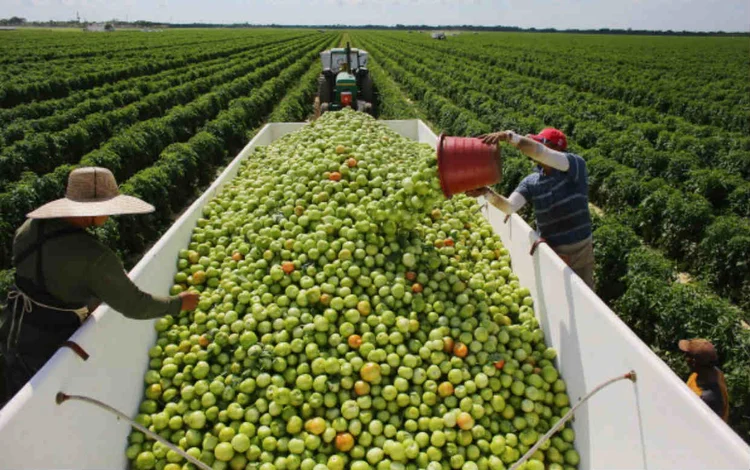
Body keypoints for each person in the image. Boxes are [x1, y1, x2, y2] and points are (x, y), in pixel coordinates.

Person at [0, 167, 199, 405]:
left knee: (14, 383)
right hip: (50, 339)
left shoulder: (29, 229)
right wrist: (179, 303)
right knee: (43, 397)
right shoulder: (94, 257)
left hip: (13, 323)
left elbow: (44, 276)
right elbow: (134, 304)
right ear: (93, 211)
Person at [468, 128, 595, 289]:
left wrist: (509, 137)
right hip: (550, 252)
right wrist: (487, 193)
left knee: (584, 291)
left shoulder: (574, 166)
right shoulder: (532, 182)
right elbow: (509, 207)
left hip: (579, 250)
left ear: (556, 148)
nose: (535, 145)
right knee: (556, 291)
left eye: (540, 141)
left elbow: (540, 152)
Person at [679, 338, 729, 422]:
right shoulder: (716, 373)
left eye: (687, 355)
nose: (684, 357)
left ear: (693, 361)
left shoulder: (704, 398)